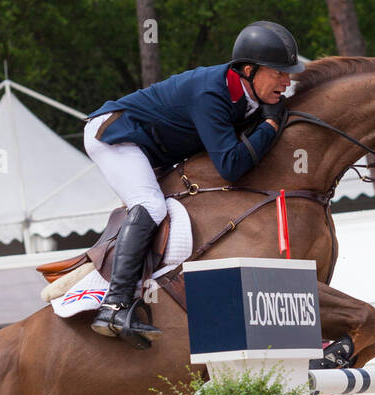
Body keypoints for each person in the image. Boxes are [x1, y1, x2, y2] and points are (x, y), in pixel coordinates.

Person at [83, 21, 302, 346]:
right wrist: (270, 124)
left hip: (150, 146)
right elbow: (230, 166)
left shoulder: (248, 91)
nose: (287, 81)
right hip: (116, 135)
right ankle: (114, 306)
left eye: (288, 73)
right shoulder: (211, 93)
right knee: (152, 205)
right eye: (279, 73)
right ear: (248, 69)